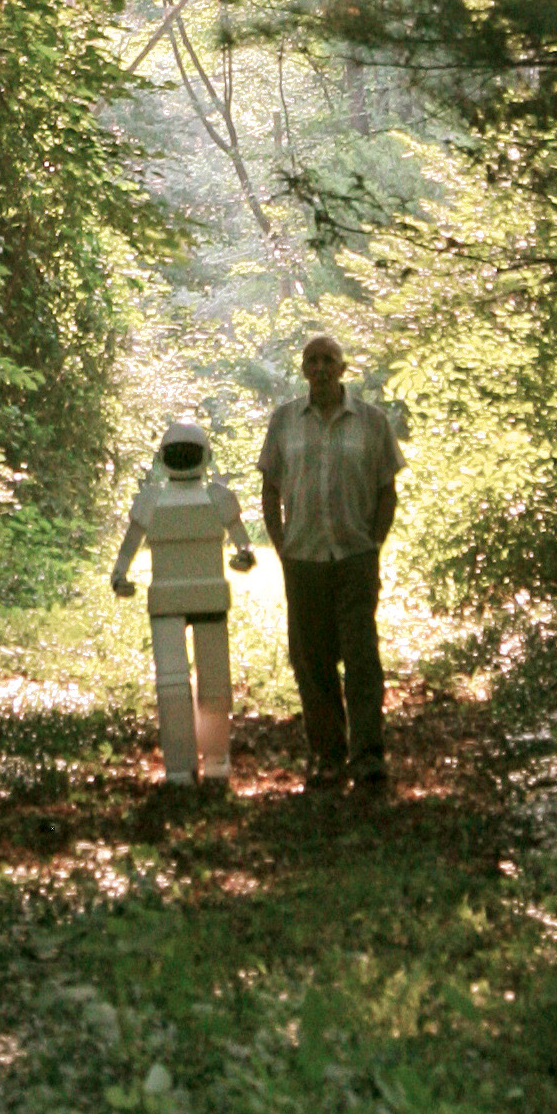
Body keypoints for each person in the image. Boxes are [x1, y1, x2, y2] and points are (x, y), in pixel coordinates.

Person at [258, 334, 403, 791]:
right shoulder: (284, 422)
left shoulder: (373, 422)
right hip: (304, 559)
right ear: (304, 370)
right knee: (312, 660)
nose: (319, 368)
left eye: (328, 361)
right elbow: (270, 488)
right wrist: (282, 546)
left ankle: (367, 755)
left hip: (354, 557)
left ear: (343, 370)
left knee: (361, 656)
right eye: (311, 361)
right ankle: (326, 755)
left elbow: (386, 491)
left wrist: (373, 544)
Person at [111, 417, 256, 785]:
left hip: (197, 594)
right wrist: (120, 573)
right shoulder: (158, 498)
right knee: (173, 684)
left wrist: (245, 555)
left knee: (213, 683)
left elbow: (243, 541)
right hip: (176, 595)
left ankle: (216, 758)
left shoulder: (215, 497)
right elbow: (130, 543)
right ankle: (181, 764)